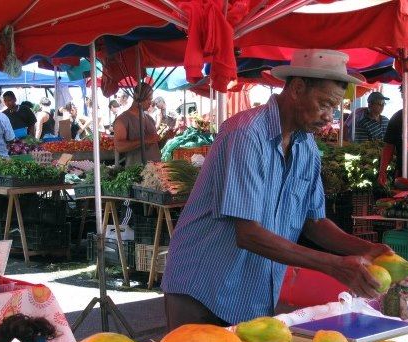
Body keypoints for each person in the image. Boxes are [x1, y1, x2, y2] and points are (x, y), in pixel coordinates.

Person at [162, 49, 391, 328]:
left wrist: (367, 249)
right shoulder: (246, 134)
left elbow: (315, 222)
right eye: (324, 104)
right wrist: (335, 265)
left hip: (251, 292)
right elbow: (249, 234)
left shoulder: (306, 147)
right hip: (202, 286)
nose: (328, 116)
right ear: (296, 88)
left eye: (333, 108)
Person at [112, 83, 161, 166]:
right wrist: (144, 140)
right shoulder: (122, 120)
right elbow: (119, 146)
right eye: (148, 99)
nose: (150, 103)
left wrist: (166, 138)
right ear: (138, 97)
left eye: (151, 99)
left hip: (156, 171)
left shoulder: (150, 119)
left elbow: (154, 146)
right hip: (136, 173)